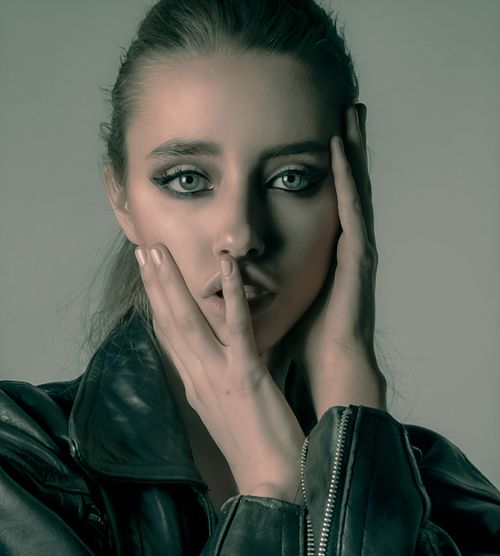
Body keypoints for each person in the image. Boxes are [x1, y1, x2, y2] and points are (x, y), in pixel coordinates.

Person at [0, 0, 499, 554]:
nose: (240, 235)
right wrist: (271, 491)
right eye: (187, 179)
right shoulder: (19, 465)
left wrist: (351, 426)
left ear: (351, 195)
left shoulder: (445, 500)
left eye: (292, 178)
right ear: (121, 197)